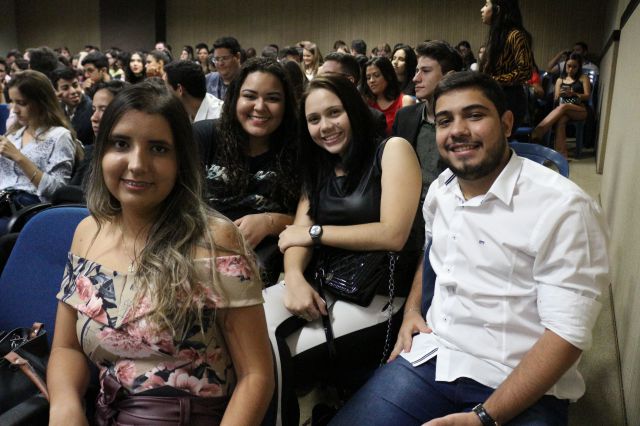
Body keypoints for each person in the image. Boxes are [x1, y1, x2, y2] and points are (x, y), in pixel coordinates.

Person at [331, 71, 609, 426]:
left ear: (506, 124)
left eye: (474, 115)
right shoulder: (442, 190)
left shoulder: (564, 207)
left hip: (520, 378)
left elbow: (566, 335)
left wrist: (484, 418)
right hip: (436, 358)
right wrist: (412, 310)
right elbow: (432, 254)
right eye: (445, 120)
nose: (458, 130)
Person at [47, 80, 274, 426]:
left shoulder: (217, 241)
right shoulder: (87, 233)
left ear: (181, 160)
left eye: (158, 148)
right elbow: (66, 348)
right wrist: (65, 407)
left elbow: (256, 375)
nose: (137, 164)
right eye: (121, 144)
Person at [264, 75, 422, 425]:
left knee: (281, 358)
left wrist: (316, 234)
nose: (325, 126)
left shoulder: (392, 150)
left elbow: (393, 234)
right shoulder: (318, 164)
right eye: (314, 119)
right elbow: (296, 234)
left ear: (354, 110)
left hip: (377, 295)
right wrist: (293, 278)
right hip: (323, 283)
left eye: (334, 113)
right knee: (248, 336)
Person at [192, 58, 299, 286]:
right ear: (234, 99)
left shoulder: (298, 148)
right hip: (196, 259)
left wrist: (270, 222)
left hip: (262, 275)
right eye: (250, 96)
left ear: (286, 105)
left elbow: (311, 219)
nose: (260, 107)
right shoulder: (204, 136)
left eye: (273, 98)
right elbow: (175, 203)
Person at [0, 70, 78, 232]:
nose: (14, 109)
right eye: (12, 102)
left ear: (41, 102)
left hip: (27, 210)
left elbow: (57, 191)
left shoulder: (59, 136)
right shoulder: (14, 134)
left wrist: (19, 158)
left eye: (21, 103)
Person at [392, 41, 463, 202]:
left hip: (451, 206)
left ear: (449, 76)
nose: (416, 78)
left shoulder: (464, 125)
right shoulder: (404, 117)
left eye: (425, 71)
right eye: (417, 71)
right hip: (408, 205)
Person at [479, 0, 534, 130]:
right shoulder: (497, 36)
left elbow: (525, 71)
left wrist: (493, 80)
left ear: (497, 9)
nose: (482, 9)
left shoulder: (516, 35)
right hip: (495, 95)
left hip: (509, 99)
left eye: (486, 5)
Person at [531, 53, 591, 158]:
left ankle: (538, 131)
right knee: (561, 120)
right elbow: (556, 99)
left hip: (580, 109)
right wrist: (560, 94)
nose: (571, 69)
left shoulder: (583, 78)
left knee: (564, 107)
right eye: (569, 66)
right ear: (565, 65)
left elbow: (587, 96)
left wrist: (573, 94)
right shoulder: (560, 80)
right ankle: (562, 155)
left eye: (574, 67)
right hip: (563, 108)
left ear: (579, 67)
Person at [319, 52, 387, 138]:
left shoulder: (373, 118)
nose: (321, 81)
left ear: (349, 80)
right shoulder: (315, 113)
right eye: (320, 76)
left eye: (327, 76)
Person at [363, 57, 415, 135]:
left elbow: (407, 135)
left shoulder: (405, 101)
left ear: (388, 76)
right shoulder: (366, 102)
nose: (371, 80)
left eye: (376, 75)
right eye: (368, 77)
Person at [52, 67, 94, 146]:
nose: (73, 91)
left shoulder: (91, 109)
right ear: (56, 92)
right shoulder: (58, 108)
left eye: (75, 85)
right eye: (65, 88)